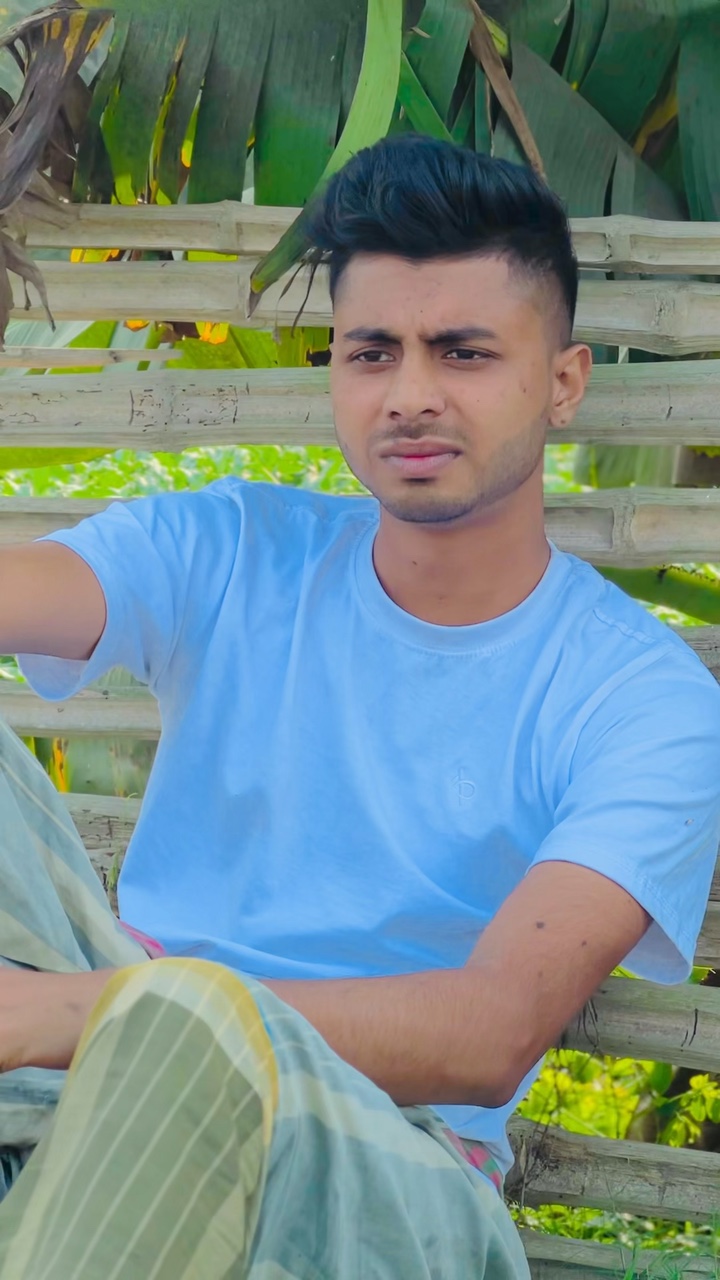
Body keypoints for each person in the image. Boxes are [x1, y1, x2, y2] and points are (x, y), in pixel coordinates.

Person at [0, 133, 719, 1279]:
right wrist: (117, 1019)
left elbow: (491, 1032)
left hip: (390, 1163)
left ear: (563, 381)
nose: (410, 394)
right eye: (372, 352)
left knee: (185, 1030)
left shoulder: (638, 699)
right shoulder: (232, 548)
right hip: (94, 1076)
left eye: (464, 352)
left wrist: (87, 1013)